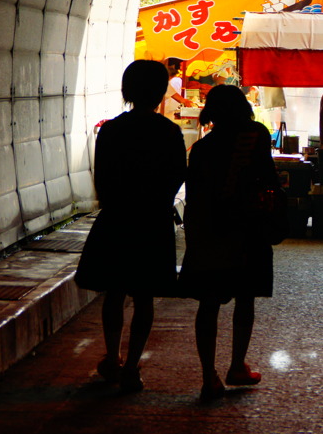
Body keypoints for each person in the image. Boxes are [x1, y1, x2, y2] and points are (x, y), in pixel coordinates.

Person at [74, 60, 186, 392]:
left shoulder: (111, 130)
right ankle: (133, 367)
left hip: (118, 220)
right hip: (152, 221)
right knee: (144, 296)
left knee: (114, 292)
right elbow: (177, 174)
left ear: (127, 90)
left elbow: (102, 178)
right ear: (160, 92)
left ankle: (112, 357)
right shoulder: (169, 131)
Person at [180, 85, 279, 400]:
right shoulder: (256, 136)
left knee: (208, 304)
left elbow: (193, 199)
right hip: (249, 229)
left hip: (211, 232)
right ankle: (237, 364)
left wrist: (193, 238)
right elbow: (269, 180)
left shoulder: (203, 149)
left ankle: (208, 375)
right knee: (245, 297)